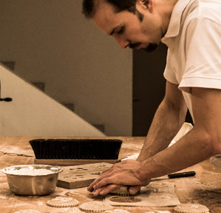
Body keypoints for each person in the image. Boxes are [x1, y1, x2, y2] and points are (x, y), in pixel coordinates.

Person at [81, 0, 221, 196]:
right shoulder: (180, 28)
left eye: (120, 30)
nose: (122, 44)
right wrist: (140, 164)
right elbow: (172, 107)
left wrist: (140, 172)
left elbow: (211, 136)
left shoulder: (202, 21)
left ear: (145, 3)